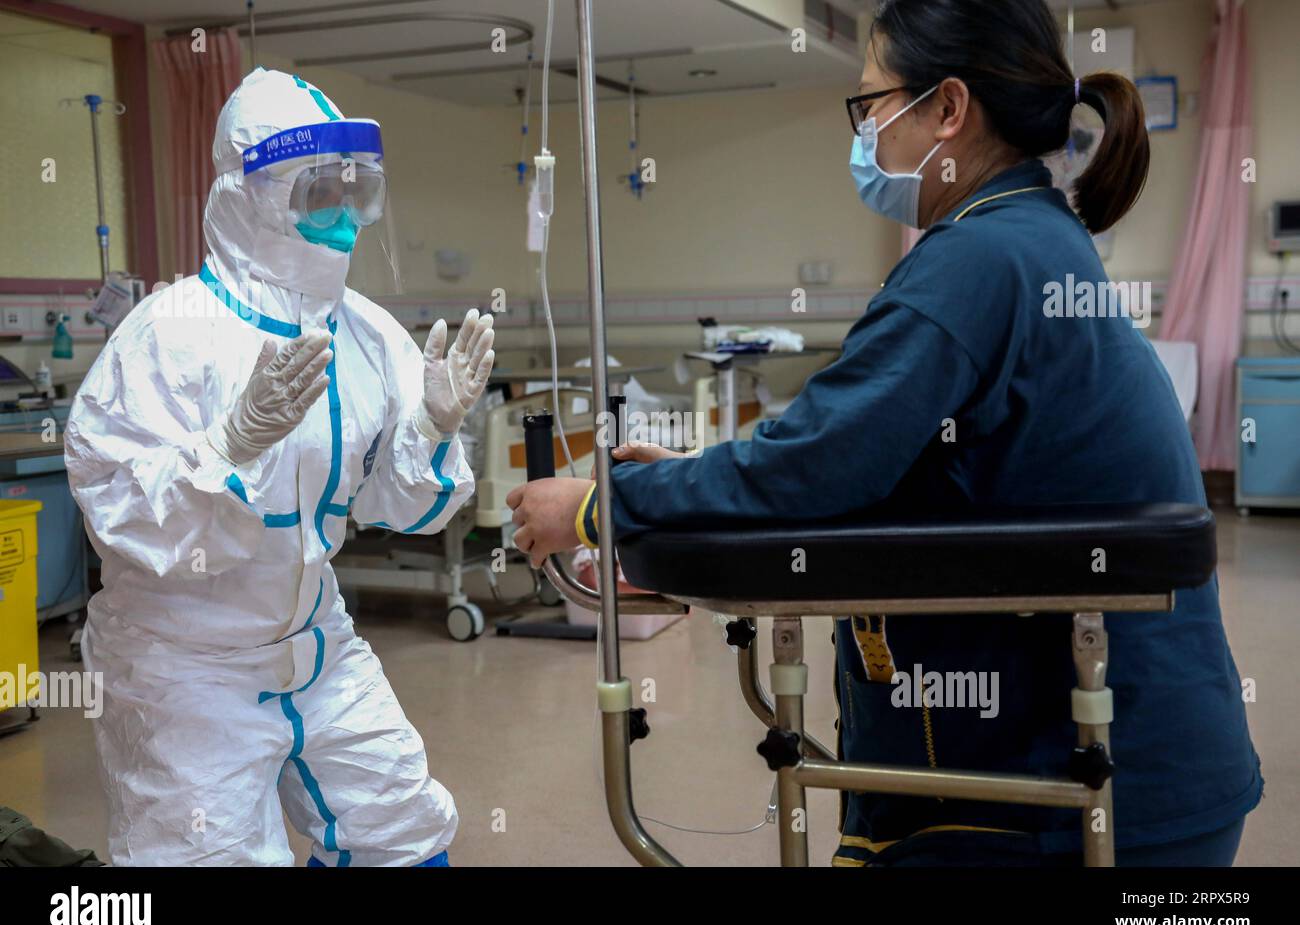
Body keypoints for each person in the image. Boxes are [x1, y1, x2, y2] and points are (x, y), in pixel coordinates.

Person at [507, 0, 1261, 866]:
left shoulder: (975, 262)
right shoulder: (1036, 238)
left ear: (947, 109)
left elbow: (818, 469)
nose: (864, 133)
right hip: (1150, 771)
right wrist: (700, 478)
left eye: (871, 106)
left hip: (1086, 796)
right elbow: (897, 460)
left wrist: (604, 506)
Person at [65, 68, 495, 867]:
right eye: (317, 192)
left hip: (316, 638)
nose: (343, 218)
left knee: (399, 827)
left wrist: (433, 427)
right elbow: (119, 511)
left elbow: (403, 510)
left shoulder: (368, 336)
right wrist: (226, 451)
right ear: (251, 195)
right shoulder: (168, 335)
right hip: (184, 665)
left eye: (357, 191)